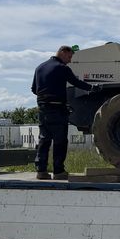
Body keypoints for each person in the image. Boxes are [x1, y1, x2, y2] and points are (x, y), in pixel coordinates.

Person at [31, 45, 94, 180]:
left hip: (43, 109)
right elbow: (76, 82)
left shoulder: (39, 67)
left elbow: (34, 89)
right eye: (69, 56)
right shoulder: (62, 68)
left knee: (44, 139)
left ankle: (41, 171)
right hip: (57, 109)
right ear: (62, 52)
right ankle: (58, 171)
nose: (70, 60)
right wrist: (92, 88)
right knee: (60, 141)